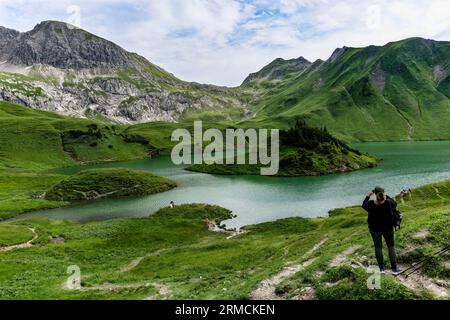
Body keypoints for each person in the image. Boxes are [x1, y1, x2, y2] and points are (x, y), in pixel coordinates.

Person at [362, 186, 400, 275]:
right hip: (388, 228)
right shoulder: (389, 202)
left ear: (375, 194)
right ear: (383, 193)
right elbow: (395, 204)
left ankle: (381, 269)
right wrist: (387, 196)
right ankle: (394, 269)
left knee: (378, 247)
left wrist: (368, 195)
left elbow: (363, 205)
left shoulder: (371, 204)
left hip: (374, 229)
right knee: (391, 246)